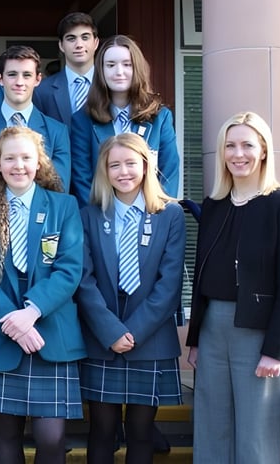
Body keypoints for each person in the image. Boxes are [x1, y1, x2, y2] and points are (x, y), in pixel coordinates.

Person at [0, 126, 86, 464]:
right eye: (10, 157)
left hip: (50, 337)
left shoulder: (64, 206)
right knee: (5, 439)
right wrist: (12, 323)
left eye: (26, 157)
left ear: (40, 162)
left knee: (51, 440)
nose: (19, 165)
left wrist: (31, 312)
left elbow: (69, 269)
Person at [186, 111, 280, 464]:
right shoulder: (214, 206)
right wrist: (194, 339)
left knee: (256, 436)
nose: (239, 154)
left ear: (264, 150)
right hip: (212, 330)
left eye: (248, 145)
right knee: (211, 429)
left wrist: (276, 349)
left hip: (258, 333)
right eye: (230, 145)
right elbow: (201, 279)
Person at [75, 133, 185, 463]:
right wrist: (111, 331)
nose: (123, 171)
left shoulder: (170, 215)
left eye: (131, 163)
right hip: (101, 339)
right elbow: (84, 280)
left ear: (146, 165)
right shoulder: (89, 215)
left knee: (141, 432)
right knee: (102, 431)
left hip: (149, 340)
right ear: (104, 171)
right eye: (114, 165)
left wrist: (133, 332)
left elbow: (169, 285)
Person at [70, 34, 180, 207]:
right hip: (102, 218)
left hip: (150, 216)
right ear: (101, 71)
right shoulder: (83, 120)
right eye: (111, 65)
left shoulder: (160, 117)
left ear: (137, 68)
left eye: (127, 64)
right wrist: (99, 218)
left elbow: (169, 171)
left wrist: (158, 213)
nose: (119, 72)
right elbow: (82, 178)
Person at [0, 44, 71, 203]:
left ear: (38, 79)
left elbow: (59, 189)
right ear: (0, 79)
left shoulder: (57, 132)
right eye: (12, 74)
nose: (19, 82)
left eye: (27, 75)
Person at [33, 12, 99, 127]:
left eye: (85, 37)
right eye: (71, 38)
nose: (79, 45)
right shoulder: (41, 91)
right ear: (61, 46)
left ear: (96, 43)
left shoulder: (110, 86)